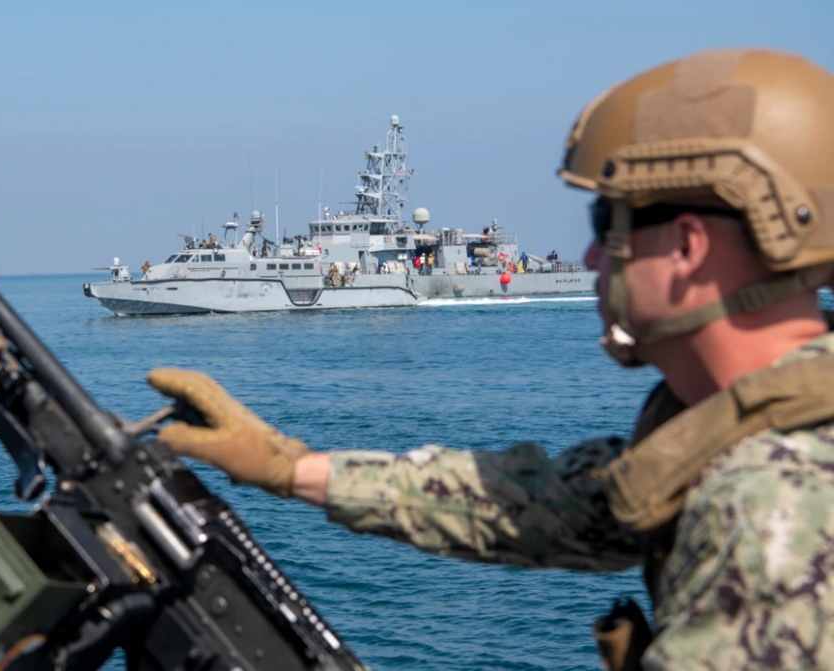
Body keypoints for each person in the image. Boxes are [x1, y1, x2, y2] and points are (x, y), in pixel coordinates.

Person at [147, 49, 834, 670]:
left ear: (688, 247)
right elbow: (542, 504)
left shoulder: (771, 515)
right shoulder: (740, 426)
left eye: (607, 224)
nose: (590, 255)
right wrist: (289, 466)